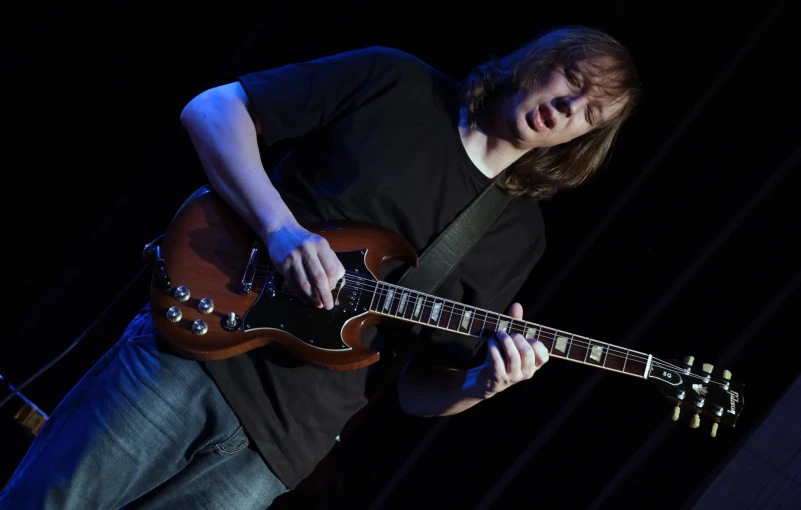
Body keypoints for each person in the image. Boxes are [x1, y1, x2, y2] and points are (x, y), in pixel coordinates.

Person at [0, 25, 640, 509]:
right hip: (192, 355)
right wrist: (281, 231)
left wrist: (482, 386)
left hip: (277, 453)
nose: (567, 110)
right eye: (571, 84)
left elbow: (418, 390)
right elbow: (213, 109)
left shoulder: (519, 233)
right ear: (538, 63)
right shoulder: (397, 83)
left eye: (589, 114)